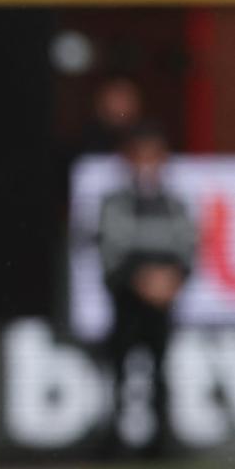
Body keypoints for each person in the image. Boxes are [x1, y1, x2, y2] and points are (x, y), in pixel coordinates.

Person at [97, 123, 193, 457]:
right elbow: (111, 254)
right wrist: (142, 281)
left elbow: (187, 252)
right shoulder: (116, 204)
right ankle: (115, 439)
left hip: (162, 306)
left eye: (154, 156)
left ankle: (162, 439)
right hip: (128, 304)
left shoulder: (174, 205)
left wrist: (169, 282)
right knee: (120, 370)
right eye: (141, 157)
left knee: (161, 371)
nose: (147, 164)